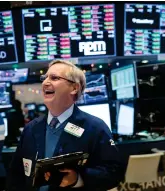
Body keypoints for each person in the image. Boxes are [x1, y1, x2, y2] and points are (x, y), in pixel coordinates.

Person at [7, 60, 124, 191]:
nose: (45, 82)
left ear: (74, 88)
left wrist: (78, 178)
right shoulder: (31, 128)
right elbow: (16, 174)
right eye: (44, 78)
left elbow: (114, 172)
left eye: (54, 78)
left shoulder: (95, 127)